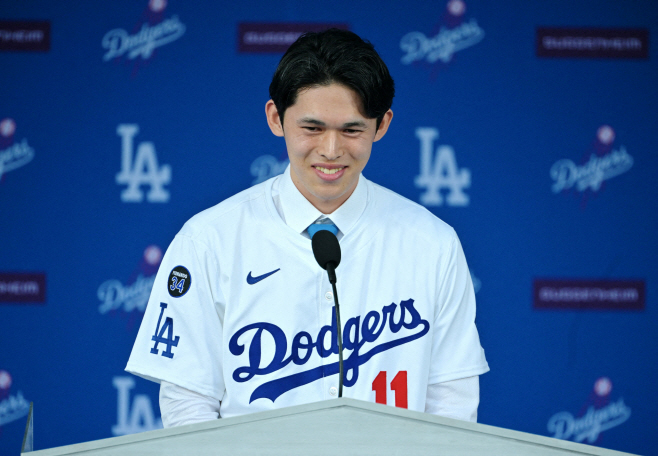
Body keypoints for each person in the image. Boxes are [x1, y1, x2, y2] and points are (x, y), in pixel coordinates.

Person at [126, 28, 488, 428]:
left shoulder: (432, 243)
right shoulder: (208, 240)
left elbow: (452, 407)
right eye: (312, 128)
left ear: (381, 125)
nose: (331, 150)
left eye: (351, 130)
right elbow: (188, 404)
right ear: (275, 118)